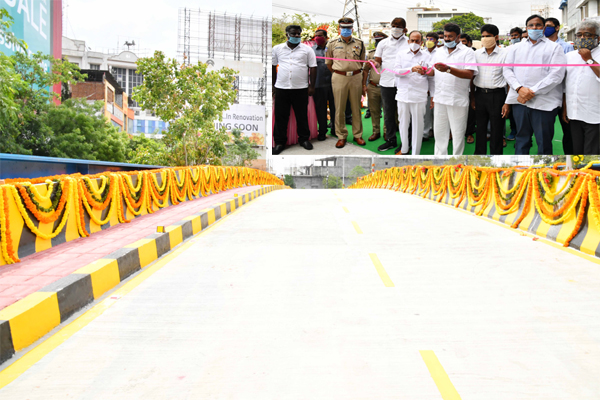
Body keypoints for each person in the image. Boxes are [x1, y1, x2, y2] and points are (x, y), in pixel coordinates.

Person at [503, 14, 566, 155]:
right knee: (522, 139)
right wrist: (519, 88)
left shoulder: (555, 48)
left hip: (544, 103)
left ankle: (544, 173)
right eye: (531, 25)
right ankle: (519, 169)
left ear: (543, 28)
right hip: (520, 102)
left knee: (543, 141)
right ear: (526, 28)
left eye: (538, 25)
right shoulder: (515, 48)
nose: (534, 28)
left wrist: (531, 92)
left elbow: (556, 75)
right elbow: (507, 69)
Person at [427, 23, 478, 155]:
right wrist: (423, 71)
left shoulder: (467, 52)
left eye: (451, 36)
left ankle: (457, 163)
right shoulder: (438, 51)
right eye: (445, 36)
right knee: (439, 134)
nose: (447, 39)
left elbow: (469, 74)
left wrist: (449, 69)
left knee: (458, 133)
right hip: (440, 98)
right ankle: (439, 161)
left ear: (458, 37)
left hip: (457, 99)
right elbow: (433, 72)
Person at [272, 25, 317, 155]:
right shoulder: (277, 49)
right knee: (281, 117)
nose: (297, 36)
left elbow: (313, 67)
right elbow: (273, 66)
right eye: (294, 34)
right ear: (287, 34)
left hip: (301, 88)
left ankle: (304, 140)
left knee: (301, 116)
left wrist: (312, 86)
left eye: (298, 34)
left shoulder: (307, 50)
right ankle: (280, 142)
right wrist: (273, 85)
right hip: (282, 88)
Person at [325, 17, 367, 149]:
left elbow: (362, 61)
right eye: (343, 28)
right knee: (339, 108)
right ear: (339, 28)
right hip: (339, 77)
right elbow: (329, 63)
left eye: (348, 28)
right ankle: (341, 136)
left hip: (355, 77)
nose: (346, 30)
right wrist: (340, 72)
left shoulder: (360, 43)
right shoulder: (331, 43)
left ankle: (357, 135)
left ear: (352, 28)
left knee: (356, 107)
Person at [562, 20, 600, 154]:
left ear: (598, 38)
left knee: (592, 152)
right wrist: (565, 108)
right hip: (575, 113)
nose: (582, 38)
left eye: (587, 35)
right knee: (577, 150)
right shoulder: (569, 57)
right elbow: (567, 86)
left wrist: (589, 60)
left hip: (595, 115)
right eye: (579, 35)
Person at [472, 24, 510, 155]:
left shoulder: (505, 54)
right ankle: (479, 156)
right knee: (480, 128)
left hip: (498, 95)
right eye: (482, 36)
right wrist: (472, 98)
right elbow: (472, 76)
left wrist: (507, 102)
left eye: (488, 36)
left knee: (497, 129)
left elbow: (510, 79)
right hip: (480, 94)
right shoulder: (476, 54)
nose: (485, 39)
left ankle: (496, 156)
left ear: (496, 37)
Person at [394, 31, 433, 155]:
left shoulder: (427, 56)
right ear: (408, 41)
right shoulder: (401, 54)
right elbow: (396, 71)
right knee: (403, 123)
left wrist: (426, 72)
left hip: (419, 95)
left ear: (421, 42)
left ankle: (415, 152)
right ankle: (404, 149)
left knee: (418, 125)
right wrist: (411, 69)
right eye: (412, 40)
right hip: (403, 94)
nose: (414, 43)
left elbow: (432, 76)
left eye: (417, 41)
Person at [374, 17, 409, 152]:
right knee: (388, 113)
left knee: (404, 114)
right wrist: (375, 64)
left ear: (404, 29)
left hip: (404, 82)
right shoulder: (383, 43)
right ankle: (391, 140)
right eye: (393, 26)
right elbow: (378, 60)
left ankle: (406, 142)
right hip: (387, 82)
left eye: (399, 26)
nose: (395, 28)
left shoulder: (409, 42)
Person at [544, 17, 574, 154]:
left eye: (549, 26)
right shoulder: (541, 46)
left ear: (557, 28)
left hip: (563, 94)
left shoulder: (567, 47)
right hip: (547, 95)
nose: (545, 28)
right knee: (545, 133)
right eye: (544, 26)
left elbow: (568, 73)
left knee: (568, 131)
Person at [362, 31, 387, 141]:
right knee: (374, 111)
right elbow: (366, 71)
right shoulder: (371, 54)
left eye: (380, 41)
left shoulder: (389, 54)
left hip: (387, 87)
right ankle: (375, 131)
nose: (378, 43)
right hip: (373, 86)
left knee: (388, 111)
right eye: (376, 41)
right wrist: (364, 84)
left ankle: (387, 132)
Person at [312, 29, 336, 142]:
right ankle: (322, 131)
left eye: (320, 36)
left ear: (326, 37)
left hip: (334, 83)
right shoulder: (311, 51)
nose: (317, 38)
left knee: (335, 108)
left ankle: (335, 129)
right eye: (316, 36)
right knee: (320, 110)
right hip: (318, 84)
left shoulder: (333, 48)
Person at [506, 27, 524, 141]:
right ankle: (513, 131)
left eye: (516, 35)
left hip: (523, 85)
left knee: (522, 114)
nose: (514, 37)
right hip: (511, 84)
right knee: (512, 111)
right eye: (512, 36)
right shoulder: (507, 49)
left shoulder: (524, 48)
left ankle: (523, 135)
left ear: (521, 36)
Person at [423, 32, 439, 140]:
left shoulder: (440, 53)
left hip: (437, 85)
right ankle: (425, 133)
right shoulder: (422, 53)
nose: (429, 41)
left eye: (431, 39)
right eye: (427, 39)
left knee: (436, 112)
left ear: (437, 42)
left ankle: (435, 131)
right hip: (424, 86)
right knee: (426, 112)